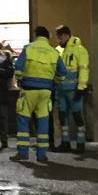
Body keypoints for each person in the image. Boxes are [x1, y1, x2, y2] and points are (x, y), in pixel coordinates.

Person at [11, 25, 68, 164]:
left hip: (29, 90)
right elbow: (63, 73)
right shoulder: (54, 52)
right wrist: (55, 81)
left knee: (23, 121)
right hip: (45, 92)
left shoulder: (29, 48)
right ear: (47, 37)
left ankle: (22, 152)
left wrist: (19, 80)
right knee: (43, 122)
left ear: (36, 35)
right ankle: (42, 155)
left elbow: (18, 67)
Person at [53, 25, 90, 153]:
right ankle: (65, 142)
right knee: (63, 116)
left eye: (61, 36)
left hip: (74, 89)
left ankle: (80, 144)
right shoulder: (58, 50)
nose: (59, 39)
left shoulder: (80, 50)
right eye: (58, 37)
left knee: (77, 115)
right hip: (61, 89)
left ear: (67, 35)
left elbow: (83, 69)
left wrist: (82, 87)